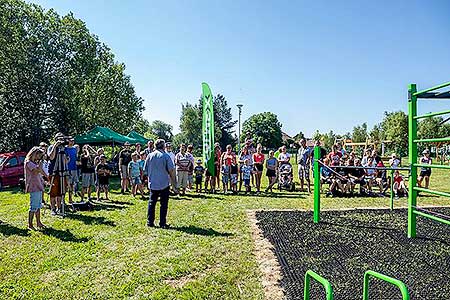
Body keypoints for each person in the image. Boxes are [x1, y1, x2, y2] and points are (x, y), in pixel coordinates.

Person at [144, 139, 178, 228]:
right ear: (163, 146)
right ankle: (162, 223)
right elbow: (171, 170)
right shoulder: (166, 156)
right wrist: (174, 185)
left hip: (153, 184)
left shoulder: (149, 156)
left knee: (151, 203)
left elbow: (145, 170)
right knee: (163, 204)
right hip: (164, 184)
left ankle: (150, 222)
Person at [47, 133, 69, 215]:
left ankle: (59, 208)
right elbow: (51, 157)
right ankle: (53, 209)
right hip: (53, 171)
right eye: (59, 138)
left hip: (62, 171)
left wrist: (66, 158)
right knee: (53, 191)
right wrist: (55, 146)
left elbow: (66, 161)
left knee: (60, 191)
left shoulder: (64, 148)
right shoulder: (51, 147)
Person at [24, 147, 47, 230]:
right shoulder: (28, 162)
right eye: (39, 156)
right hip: (33, 186)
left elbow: (39, 174)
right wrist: (41, 162)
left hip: (38, 185)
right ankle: (30, 225)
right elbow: (37, 171)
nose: (39, 158)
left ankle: (38, 222)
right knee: (33, 206)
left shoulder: (34, 162)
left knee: (38, 206)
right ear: (35, 154)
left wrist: (44, 181)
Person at [64, 138, 78, 204]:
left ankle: (70, 199)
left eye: (73, 141)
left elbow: (76, 157)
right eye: (70, 140)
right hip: (67, 169)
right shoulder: (65, 148)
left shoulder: (75, 149)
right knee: (66, 185)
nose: (72, 142)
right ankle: (62, 200)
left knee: (72, 185)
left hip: (74, 168)